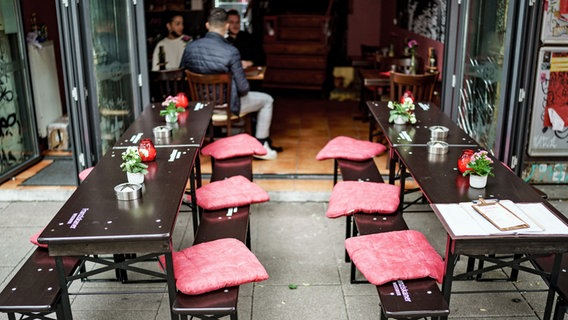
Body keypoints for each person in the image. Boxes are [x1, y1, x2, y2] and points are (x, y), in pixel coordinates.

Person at [180, 8, 278, 160]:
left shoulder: (190, 48)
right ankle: (262, 144)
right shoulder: (230, 51)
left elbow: (182, 76)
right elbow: (244, 88)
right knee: (267, 100)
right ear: (226, 26)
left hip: (200, 107)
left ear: (207, 25)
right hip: (225, 107)